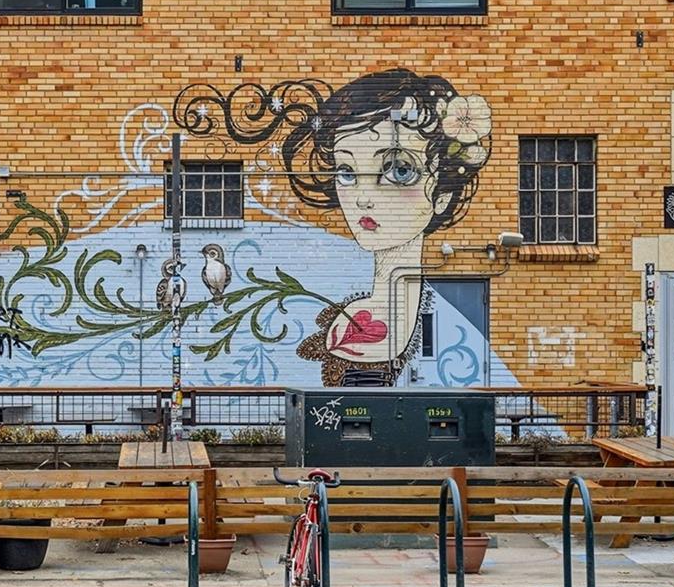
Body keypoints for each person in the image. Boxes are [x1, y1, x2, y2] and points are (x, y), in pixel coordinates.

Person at [175, 69, 491, 385]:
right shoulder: (343, 321)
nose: (363, 198)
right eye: (347, 172)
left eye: (399, 170)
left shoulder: (376, 318)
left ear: (443, 195)